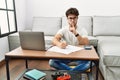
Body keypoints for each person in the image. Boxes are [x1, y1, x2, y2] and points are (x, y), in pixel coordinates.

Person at [49, 8, 90, 72]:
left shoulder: (82, 30)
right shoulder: (64, 29)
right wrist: (60, 44)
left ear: (77, 18)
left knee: (89, 63)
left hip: (79, 56)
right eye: (70, 18)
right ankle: (73, 72)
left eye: (74, 18)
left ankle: (68, 72)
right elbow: (54, 39)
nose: (72, 20)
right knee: (52, 62)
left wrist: (75, 33)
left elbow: (86, 43)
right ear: (67, 19)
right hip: (66, 56)